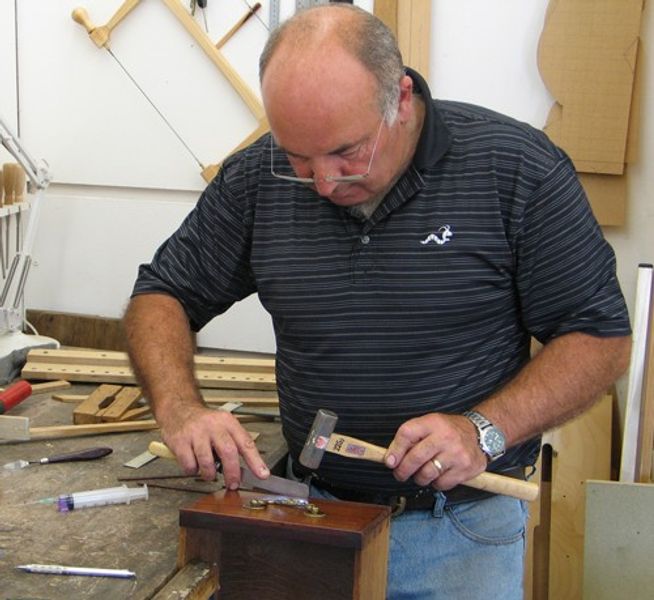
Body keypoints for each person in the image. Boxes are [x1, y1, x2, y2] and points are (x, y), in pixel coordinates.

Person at [123, 5, 631, 598]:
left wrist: (484, 431)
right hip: (315, 515)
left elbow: (598, 336)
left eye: (346, 152)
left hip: (460, 530)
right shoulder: (258, 178)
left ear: (402, 97)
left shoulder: (515, 170)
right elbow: (163, 294)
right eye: (299, 157)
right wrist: (181, 409)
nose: (323, 182)